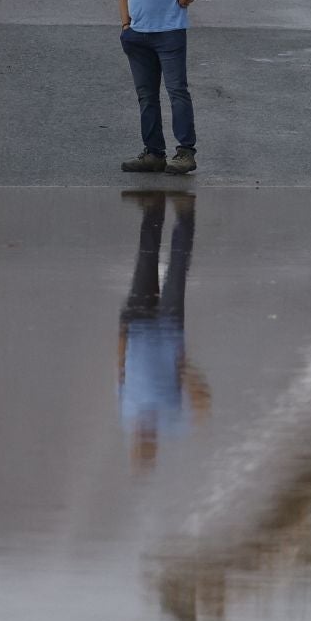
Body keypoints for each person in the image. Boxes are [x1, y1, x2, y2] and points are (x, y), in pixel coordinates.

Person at [117, 0, 217, 175]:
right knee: (146, 96)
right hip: (137, 36)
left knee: (176, 92)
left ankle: (185, 152)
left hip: (169, 33)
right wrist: (125, 25)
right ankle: (153, 153)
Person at [118, 191, 212, 471]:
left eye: (139, 445)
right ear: (155, 446)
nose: (143, 440)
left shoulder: (126, 414)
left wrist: (122, 333)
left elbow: (120, 373)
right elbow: (203, 402)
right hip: (169, 329)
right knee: (177, 265)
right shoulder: (172, 421)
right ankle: (185, 213)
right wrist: (184, 369)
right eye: (147, 447)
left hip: (136, 325)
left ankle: (153, 208)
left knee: (145, 257)